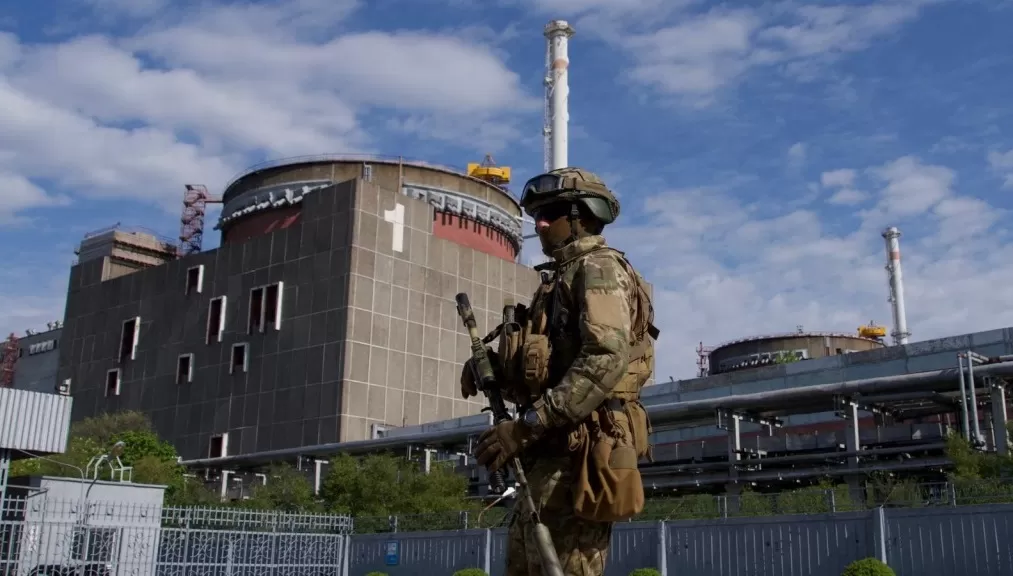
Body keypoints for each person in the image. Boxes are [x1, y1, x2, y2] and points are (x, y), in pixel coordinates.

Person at [460, 167, 659, 576]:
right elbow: (552, 368)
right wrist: (495, 368)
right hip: (551, 453)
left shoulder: (598, 268)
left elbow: (605, 357)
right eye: (537, 215)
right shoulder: (559, 279)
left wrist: (528, 425)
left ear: (581, 216)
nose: (540, 224)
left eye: (550, 213)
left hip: (580, 455)